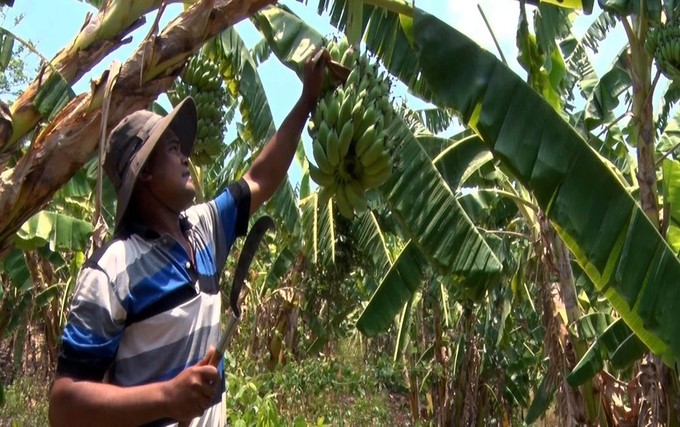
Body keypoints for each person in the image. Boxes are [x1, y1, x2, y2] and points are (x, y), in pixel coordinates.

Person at [48, 48, 330, 427]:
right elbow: (64, 405)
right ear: (144, 173)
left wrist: (307, 101)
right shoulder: (112, 270)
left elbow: (260, 178)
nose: (186, 159)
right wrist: (167, 397)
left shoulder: (203, 229)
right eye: (173, 150)